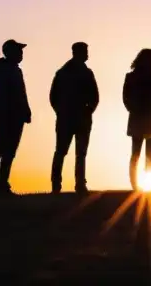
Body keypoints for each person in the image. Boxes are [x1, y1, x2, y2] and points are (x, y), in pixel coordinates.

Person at [49, 41, 100, 194]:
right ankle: (59, 184)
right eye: (85, 51)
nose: (87, 54)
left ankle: (77, 184)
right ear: (77, 52)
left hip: (78, 118)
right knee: (63, 151)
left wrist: (89, 110)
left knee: (77, 152)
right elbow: (53, 97)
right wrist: (62, 111)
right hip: (70, 118)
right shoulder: (65, 73)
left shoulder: (68, 72)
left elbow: (94, 96)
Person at [0, 39, 31, 196]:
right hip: (6, 118)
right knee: (1, 150)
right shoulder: (1, 73)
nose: (21, 54)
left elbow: (21, 94)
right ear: (10, 52)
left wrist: (26, 111)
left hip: (15, 118)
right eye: (18, 51)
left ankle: (2, 184)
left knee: (8, 152)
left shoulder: (14, 71)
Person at [123, 48, 151, 191]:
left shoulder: (131, 76)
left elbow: (125, 98)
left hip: (138, 118)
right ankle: (146, 185)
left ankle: (136, 185)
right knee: (148, 154)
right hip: (149, 117)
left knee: (136, 153)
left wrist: (132, 109)